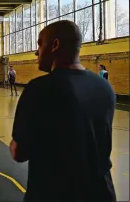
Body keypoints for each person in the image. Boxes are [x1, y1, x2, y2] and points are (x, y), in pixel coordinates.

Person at [10, 20, 116, 201]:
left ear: (55, 45)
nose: (37, 52)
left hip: (54, 191)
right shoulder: (105, 87)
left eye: (40, 44)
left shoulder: (40, 89)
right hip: (101, 191)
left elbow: (19, 153)